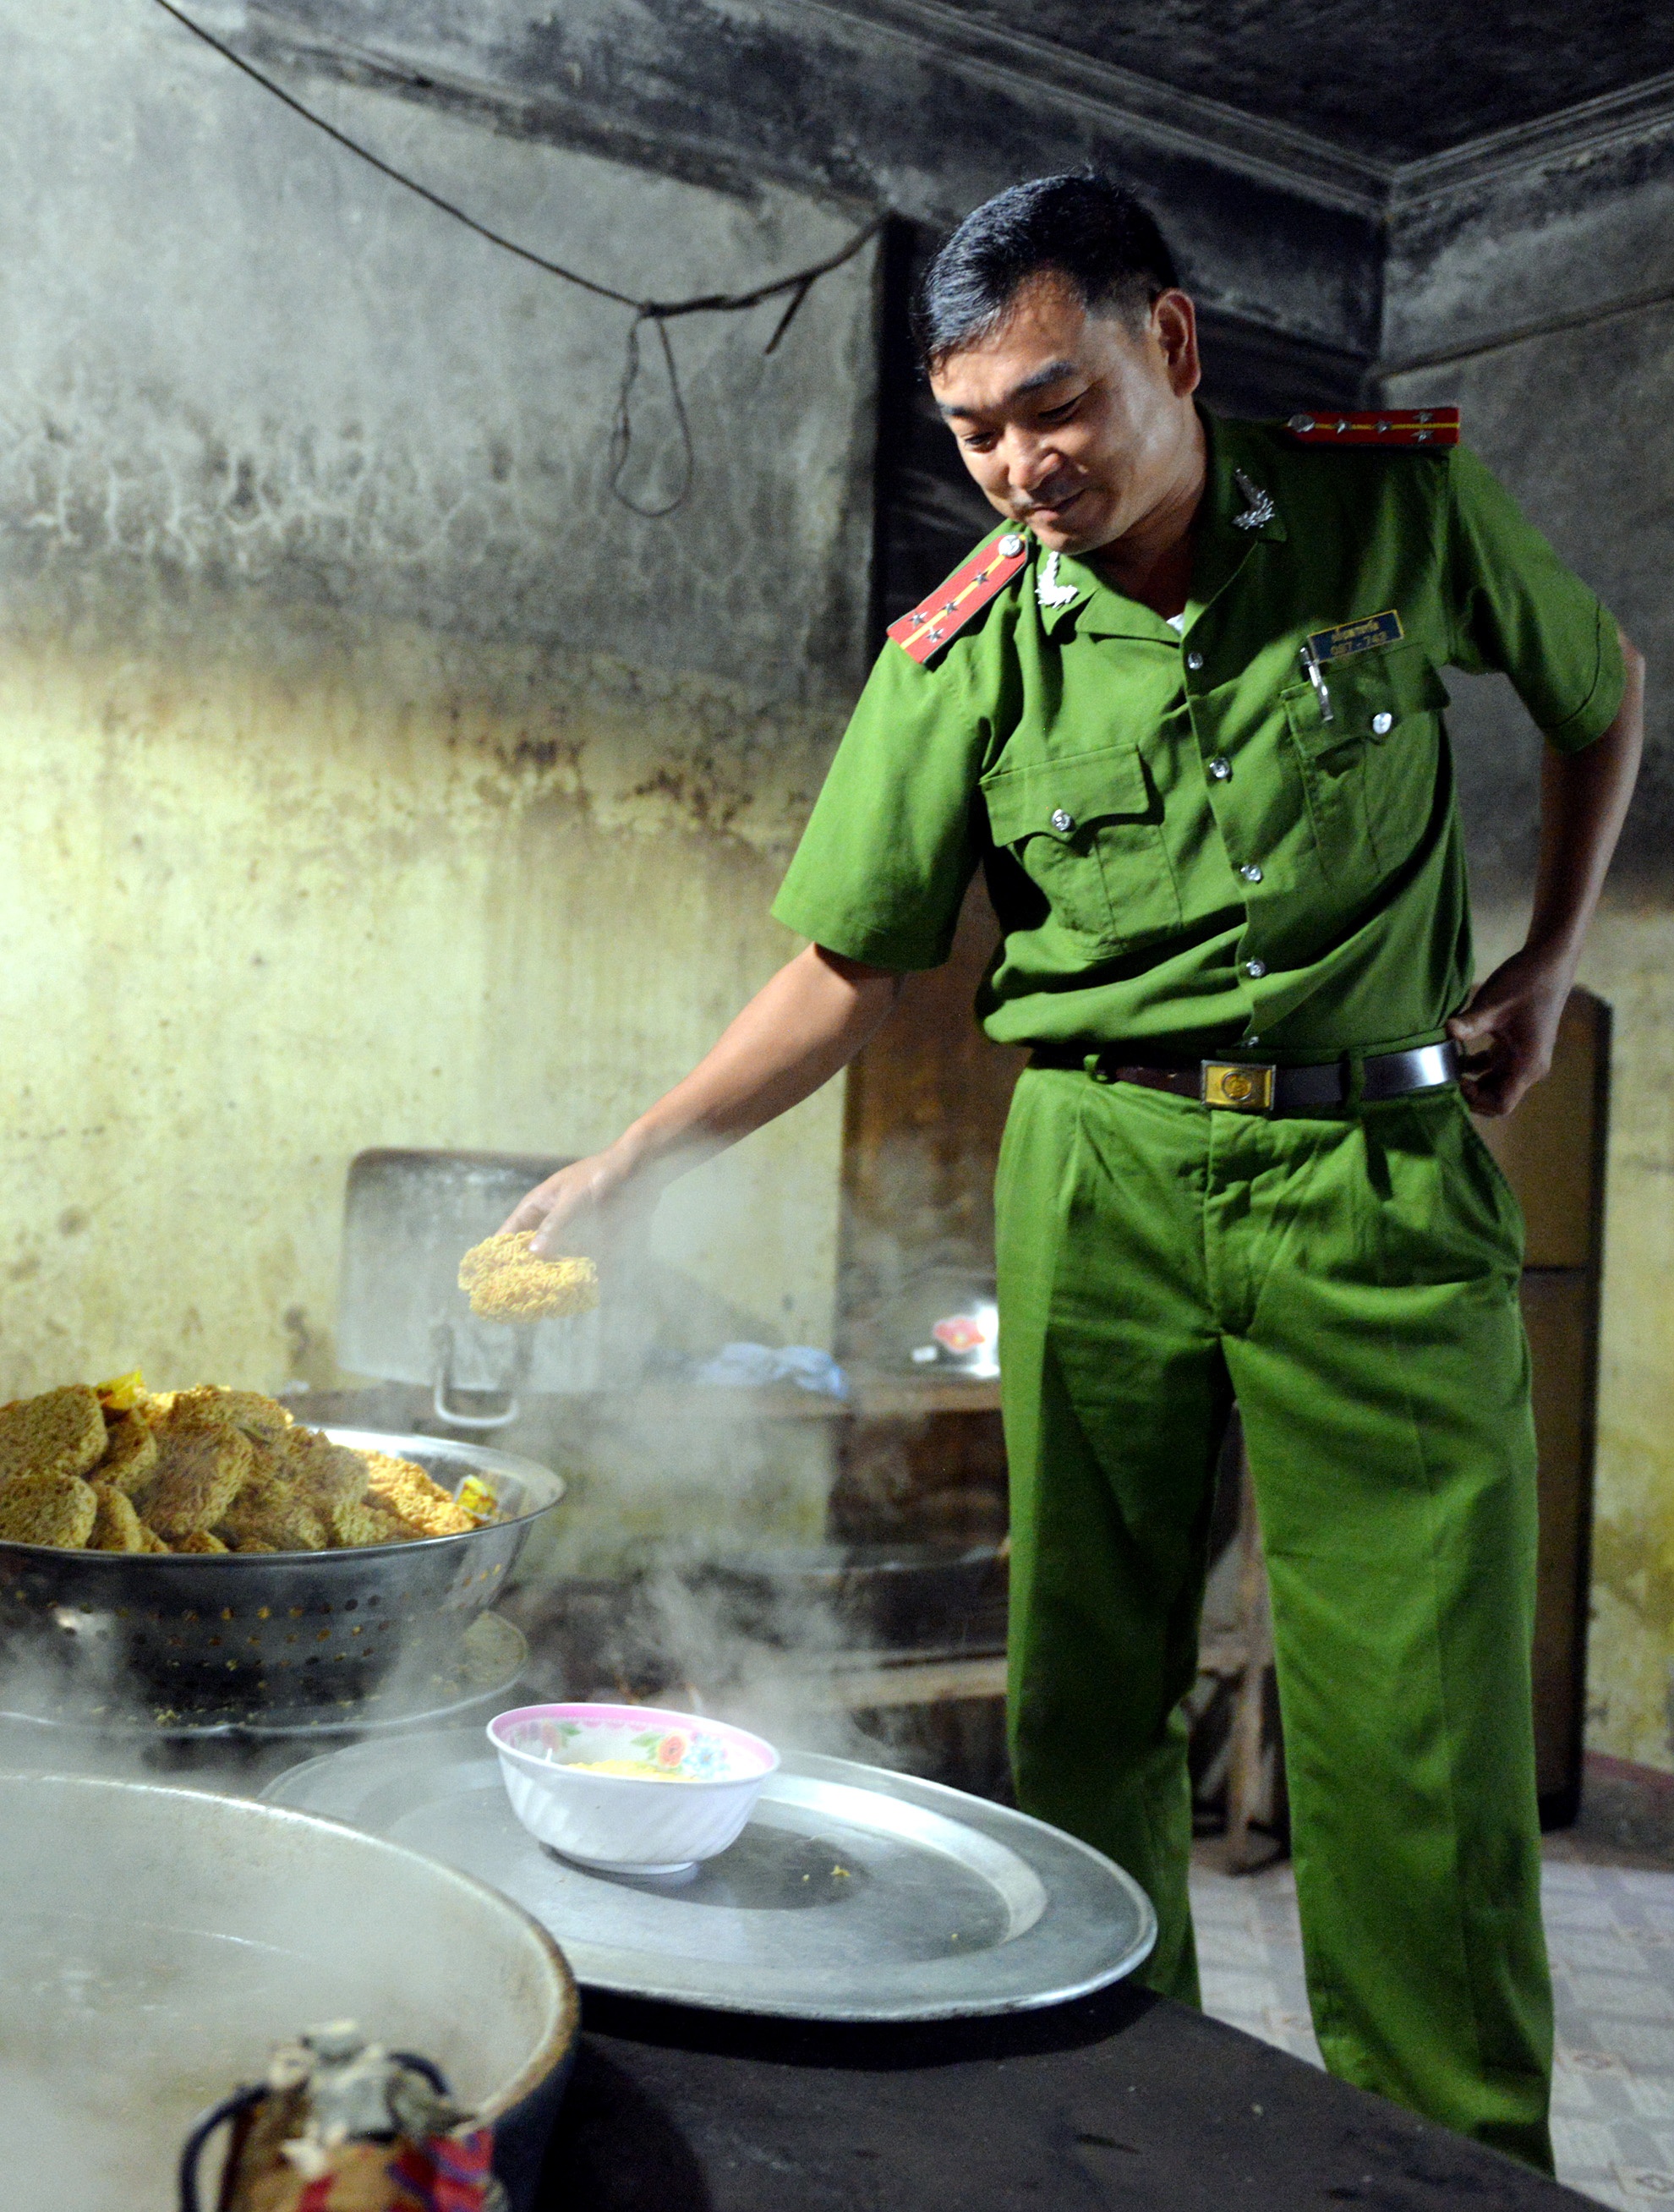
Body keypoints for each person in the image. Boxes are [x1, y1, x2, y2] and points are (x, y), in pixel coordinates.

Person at [503, 173, 1644, 2170]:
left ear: (1169, 345)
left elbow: (1597, 684)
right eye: (976, 433)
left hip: (1376, 1179)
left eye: (1057, 404)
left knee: (1421, 1732)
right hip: (1101, 1171)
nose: (1023, 467)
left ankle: (1448, 2172)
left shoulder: (1391, 513)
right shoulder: (963, 649)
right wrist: (635, 1161)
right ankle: (1132, 2143)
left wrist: (1547, 964)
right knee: (1084, 1710)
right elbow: (848, 969)